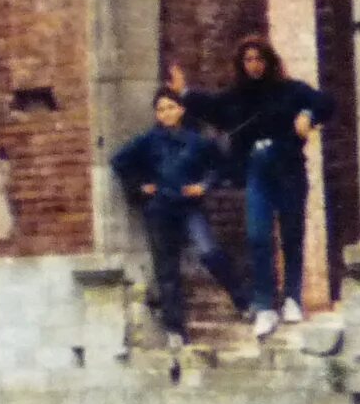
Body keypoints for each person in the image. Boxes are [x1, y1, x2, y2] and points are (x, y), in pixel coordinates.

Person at [169, 38, 334, 340]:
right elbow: (213, 107)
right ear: (241, 64)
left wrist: (308, 115)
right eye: (248, 60)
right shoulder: (238, 97)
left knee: (292, 234)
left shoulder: (291, 91)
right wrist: (185, 93)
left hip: (289, 168)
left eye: (259, 59)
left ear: (269, 61)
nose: (254, 65)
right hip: (257, 170)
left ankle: (292, 299)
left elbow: (325, 102)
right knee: (258, 236)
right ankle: (264, 305)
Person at [110, 85, 244, 348]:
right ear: (156, 115)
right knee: (167, 268)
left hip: (189, 207)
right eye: (161, 109)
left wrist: (204, 186)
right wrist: (139, 186)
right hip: (159, 208)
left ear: (181, 110)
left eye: (171, 107)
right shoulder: (147, 141)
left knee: (209, 252)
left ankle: (243, 300)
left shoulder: (197, 141)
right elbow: (119, 161)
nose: (167, 113)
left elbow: (220, 166)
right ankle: (175, 329)